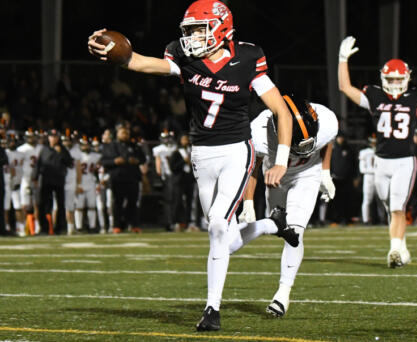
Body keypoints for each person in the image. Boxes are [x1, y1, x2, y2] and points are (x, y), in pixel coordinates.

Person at [88, 0, 294, 331]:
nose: (194, 38)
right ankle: (272, 225)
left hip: (236, 152)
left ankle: (212, 309)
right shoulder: (184, 57)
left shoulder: (248, 58)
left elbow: (281, 112)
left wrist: (281, 161)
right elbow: (142, 63)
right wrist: (116, 52)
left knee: (216, 224)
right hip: (201, 154)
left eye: (200, 29)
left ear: (222, 27)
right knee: (221, 238)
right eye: (190, 31)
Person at [338, 36, 417, 267]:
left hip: (404, 161)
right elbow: (345, 87)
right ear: (382, 78)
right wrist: (342, 60)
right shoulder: (374, 95)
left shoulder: (415, 98)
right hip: (381, 161)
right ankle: (402, 247)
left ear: (407, 78)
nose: (393, 83)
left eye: (397, 79)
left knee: (397, 207)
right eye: (389, 78)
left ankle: (394, 251)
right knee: (388, 207)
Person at [237, 94, 337, 317]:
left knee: (295, 231)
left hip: (307, 174)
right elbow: (254, 166)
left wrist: (325, 172)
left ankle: (283, 292)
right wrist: (249, 201)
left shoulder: (327, 119)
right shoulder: (260, 131)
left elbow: (328, 141)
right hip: (275, 176)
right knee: (277, 226)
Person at [100, 125, 146, 234]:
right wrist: (114, 161)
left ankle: (133, 225)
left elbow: (143, 159)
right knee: (118, 203)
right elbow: (103, 161)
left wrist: (137, 161)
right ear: (117, 134)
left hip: (132, 177)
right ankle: (117, 226)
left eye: (127, 133)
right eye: (123, 133)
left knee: (133, 203)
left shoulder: (134, 145)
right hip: (117, 178)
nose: (125, 135)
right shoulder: (110, 146)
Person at [35, 129, 73, 235]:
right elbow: (38, 164)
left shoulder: (63, 149)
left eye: (55, 137)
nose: (53, 139)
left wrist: (61, 153)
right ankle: (44, 228)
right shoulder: (44, 149)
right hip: (46, 180)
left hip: (59, 180)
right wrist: (35, 177)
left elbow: (70, 163)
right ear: (49, 137)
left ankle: (60, 228)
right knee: (44, 205)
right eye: (52, 136)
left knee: (60, 205)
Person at [17, 128, 42, 235]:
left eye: (32, 136)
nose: (31, 139)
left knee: (37, 204)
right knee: (24, 204)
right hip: (25, 178)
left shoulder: (41, 148)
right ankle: (22, 227)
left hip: (37, 178)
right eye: (29, 137)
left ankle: (36, 226)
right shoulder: (21, 149)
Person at [330, 131, 357, 225]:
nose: (341, 139)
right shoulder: (332, 149)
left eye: (342, 137)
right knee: (335, 201)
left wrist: (355, 177)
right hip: (335, 178)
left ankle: (348, 219)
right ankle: (335, 220)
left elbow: (354, 164)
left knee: (347, 200)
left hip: (347, 178)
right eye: (339, 137)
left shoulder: (349, 149)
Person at [152, 130, 178, 231]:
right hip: (166, 176)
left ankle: (174, 221)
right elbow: (157, 163)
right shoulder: (159, 149)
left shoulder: (175, 147)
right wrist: (158, 174)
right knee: (168, 200)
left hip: (176, 175)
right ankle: (168, 222)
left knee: (175, 199)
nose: (167, 140)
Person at [75, 136, 101, 232]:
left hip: (91, 182)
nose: (85, 146)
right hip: (80, 182)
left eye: (86, 144)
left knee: (91, 206)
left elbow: (98, 171)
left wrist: (98, 182)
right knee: (79, 206)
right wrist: (77, 184)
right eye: (83, 145)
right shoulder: (77, 155)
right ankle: (79, 227)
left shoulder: (95, 156)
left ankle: (92, 226)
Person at [3, 134, 24, 235]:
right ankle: (6, 226)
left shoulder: (20, 154)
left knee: (18, 206)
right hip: (5, 183)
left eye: (13, 141)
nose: (12, 143)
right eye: (9, 141)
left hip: (16, 182)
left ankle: (21, 227)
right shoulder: (4, 153)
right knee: (5, 207)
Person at [358, 135, 378, 224]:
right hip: (369, 177)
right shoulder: (364, 152)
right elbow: (362, 169)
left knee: (382, 199)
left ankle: (382, 219)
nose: (374, 144)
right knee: (367, 200)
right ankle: (366, 220)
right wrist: (375, 170)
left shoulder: (380, 151)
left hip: (378, 177)